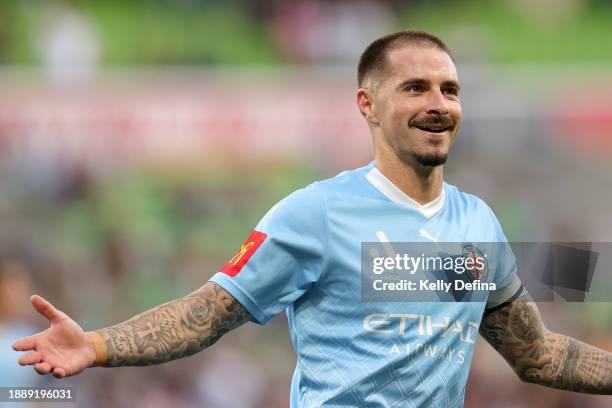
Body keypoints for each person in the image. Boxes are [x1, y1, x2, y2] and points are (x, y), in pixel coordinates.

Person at [12, 30, 612, 407]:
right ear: (369, 106)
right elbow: (208, 314)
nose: (438, 104)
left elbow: (538, 356)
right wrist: (97, 344)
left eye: (449, 90)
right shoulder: (315, 214)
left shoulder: (477, 223)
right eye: (416, 88)